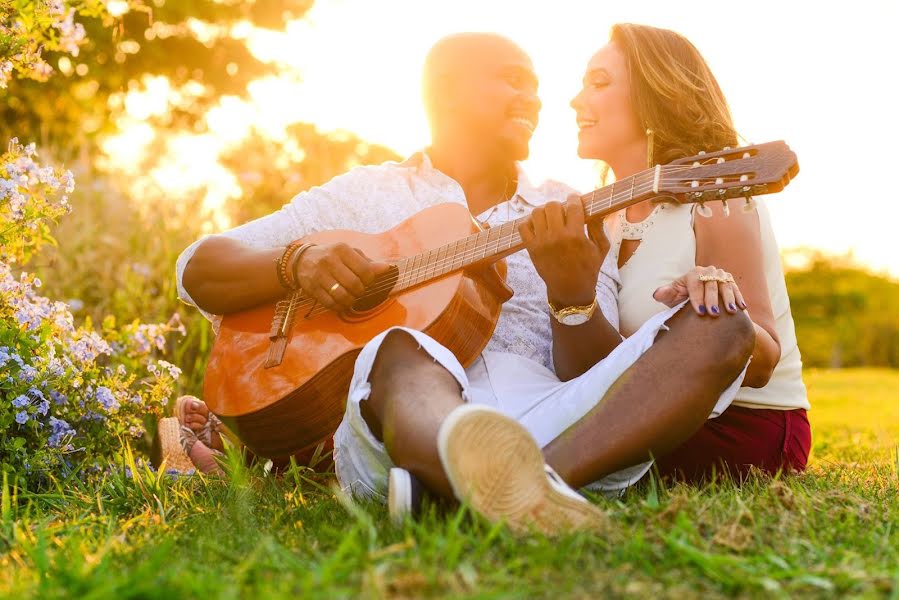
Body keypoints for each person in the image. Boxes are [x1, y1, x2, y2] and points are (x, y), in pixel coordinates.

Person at [177, 33, 754, 534]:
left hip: (555, 417)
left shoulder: (569, 206)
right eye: (512, 81)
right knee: (398, 348)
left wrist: (572, 298)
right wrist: (297, 262)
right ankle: (507, 487)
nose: (535, 98)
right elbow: (198, 267)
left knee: (724, 327)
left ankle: (506, 485)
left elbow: (587, 374)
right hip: (406, 427)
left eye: (535, 86)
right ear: (446, 90)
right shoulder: (363, 194)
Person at [571, 23, 811, 483]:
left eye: (599, 83)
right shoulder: (604, 221)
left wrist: (716, 302)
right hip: (643, 413)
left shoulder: (717, 197)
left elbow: (760, 361)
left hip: (743, 426)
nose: (576, 101)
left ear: (654, 96)